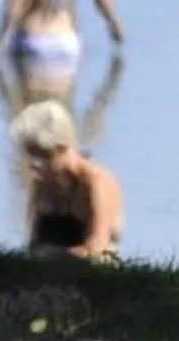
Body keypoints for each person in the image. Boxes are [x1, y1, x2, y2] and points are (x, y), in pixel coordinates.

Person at [13, 100, 123, 260]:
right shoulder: (43, 186)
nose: (35, 165)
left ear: (61, 148)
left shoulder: (96, 183)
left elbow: (97, 250)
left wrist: (50, 256)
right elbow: (34, 244)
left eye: (41, 156)